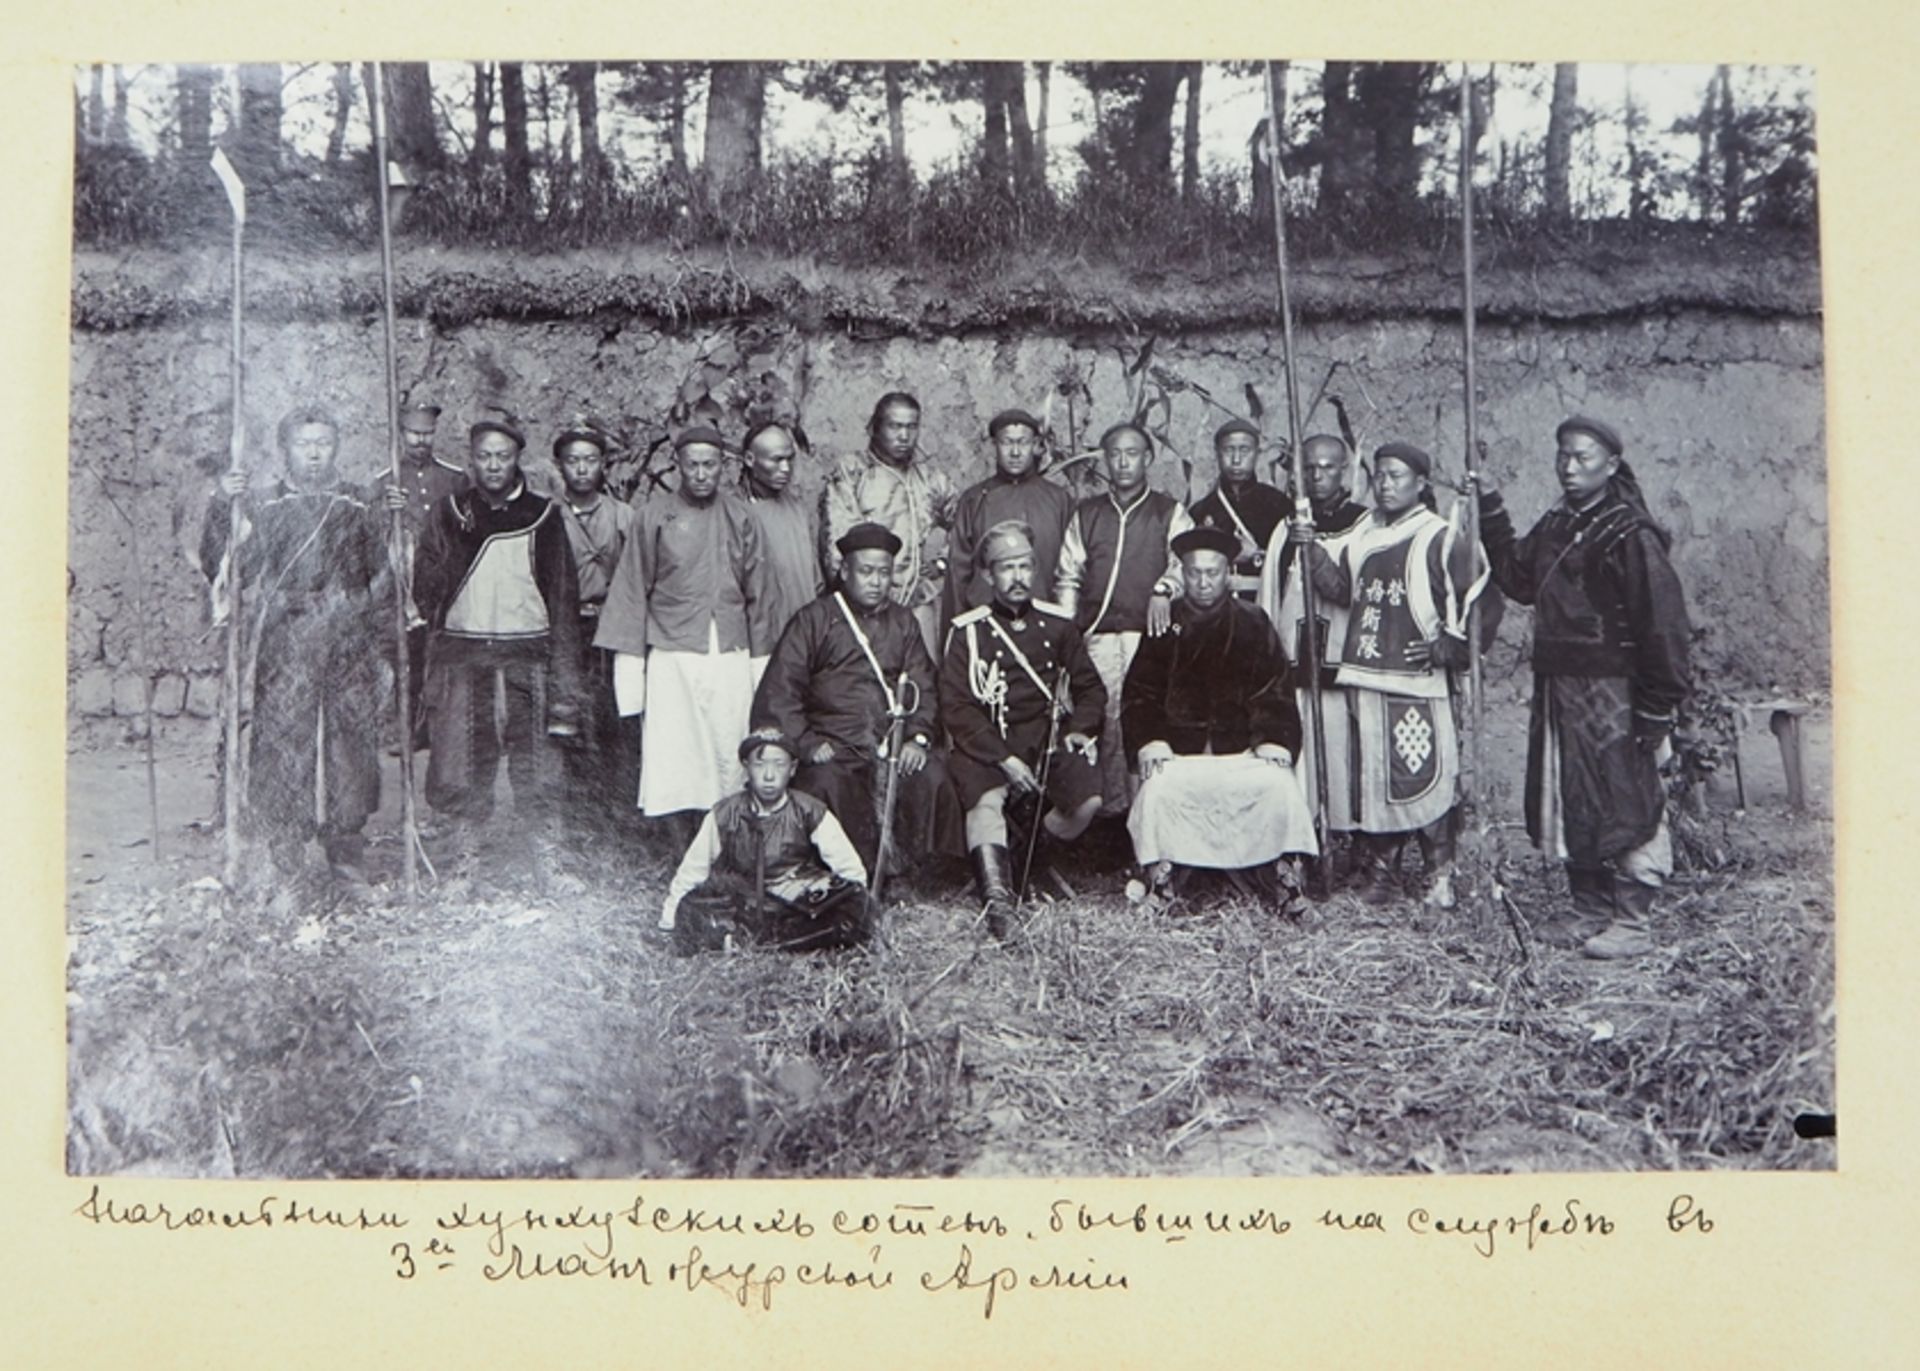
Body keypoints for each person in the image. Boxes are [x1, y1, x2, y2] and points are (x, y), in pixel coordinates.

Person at [1476, 416, 1692, 959]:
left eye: (1584, 458)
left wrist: (1657, 707)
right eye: (1563, 457)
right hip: (1560, 683)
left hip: (1614, 690)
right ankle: (1589, 906)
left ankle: (1633, 918)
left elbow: (1663, 625)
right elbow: (1518, 579)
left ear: (1612, 464)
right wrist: (1489, 508)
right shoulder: (1557, 524)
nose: (1570, 468)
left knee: (1623, 793)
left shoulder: (1630, 534)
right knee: (1570, 791)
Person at [1290, 441, 1487, 908]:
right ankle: (1383, 876)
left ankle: (1442, 873)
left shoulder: (1439, 535)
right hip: (1367, 675)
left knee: (1426, 778)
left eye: (1397, 475)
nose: (1385, 483)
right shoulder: (1365, 534)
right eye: (1379, 475)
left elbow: (1479, 594)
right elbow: (1341, 591)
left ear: (1421, 483)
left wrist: (1451, 646)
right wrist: (1312, 551)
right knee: (1377, 781)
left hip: (1415, 683)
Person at [200, 405, 387, 897]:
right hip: (287, 636)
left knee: (351, 738)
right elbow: (222, 562)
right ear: (285, 450)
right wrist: (224, 505)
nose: (313, 453)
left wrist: (393, 518)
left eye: (322, 442)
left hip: (347, 636)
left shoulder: (359, 503)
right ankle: (285, 853)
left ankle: (346, 851)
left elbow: (381, 568)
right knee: (283, 737)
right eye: (303, 444)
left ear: (336, 446)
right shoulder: (264, 506)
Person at [412, 417, 584, 879]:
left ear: (517, 459)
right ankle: (463, 862)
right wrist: (437, 560)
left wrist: (565, 684)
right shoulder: (449, 512)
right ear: (472, 458)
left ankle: (545, 859)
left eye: (503, 456)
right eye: (485, 456)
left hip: (527, 657)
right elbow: (424, 593)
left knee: (538, 766)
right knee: (461, 764)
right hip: (464, 658)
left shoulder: (544, 517)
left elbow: (563, 600)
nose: (493, 466)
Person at [752, 521, 965, 881]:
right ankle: (849, 874)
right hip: (835, 745)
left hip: (890, 743)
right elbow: (781, 692)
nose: (876, 581)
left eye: (884, 572)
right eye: (866, 571)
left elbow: (923, 686)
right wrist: (806, 743)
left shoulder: (904, 623)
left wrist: (917, 738)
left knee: (932, 776)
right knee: (826, 784)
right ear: (844, 570)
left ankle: (926, 875)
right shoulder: (813, 620)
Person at [1122, 526, 1319, 906]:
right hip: (1180, 753)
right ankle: (1162, 879)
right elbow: (1140, 694)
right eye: (1194, 573)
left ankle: (1283, 879)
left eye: (1212, 573)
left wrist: (1273, 738)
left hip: (1242, 750)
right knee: (1159, 792)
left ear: (1228, 574)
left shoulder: (1253, 621)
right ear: (1182, 573)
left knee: (1279, 788)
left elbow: (1274, 688)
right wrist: (1150, 740)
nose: (1203, 582)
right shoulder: (1164, 625)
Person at [596, 426, 769, 832]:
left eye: (710, 464)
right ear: (678, 465)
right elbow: (632, 591)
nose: (702, 474)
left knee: (730, 749)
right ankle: (681, 848)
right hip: (672, 655)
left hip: (728, 652)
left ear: (723, 466)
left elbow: (761, 596)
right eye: (692, 465)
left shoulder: (742, 516)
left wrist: (762, 671)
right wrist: (631, 676)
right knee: (677, 756)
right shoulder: (654, 516)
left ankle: (729, 846)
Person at [941, 521, 1106, 936]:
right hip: (988, 743)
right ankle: (999, 904)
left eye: (1025, 567)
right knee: (986, 800)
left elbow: (1091, 690)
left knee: (1087, 800)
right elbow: (957, 707)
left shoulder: (1057, 626)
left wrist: (1079, 731)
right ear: (987, 574)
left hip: (1045, 740)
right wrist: (1004, 758)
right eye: (1006, 568)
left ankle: (1024, 862)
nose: (1017, 578)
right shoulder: (968, 632)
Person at [1052, 422, 1191, 816]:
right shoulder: (1089, 514)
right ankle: (1106, 823)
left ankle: (1149, 817)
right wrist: (1066, 638)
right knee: (1103, 727)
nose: (1124, 462)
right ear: (1105, 461)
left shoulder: (1169, 512)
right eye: (1116, 454)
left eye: (1133, 453)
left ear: (1148, 458)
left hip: (1151, 640)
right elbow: (1068, 577)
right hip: (1097, 639)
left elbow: (1186, 562)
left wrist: (1164, 588)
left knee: (1145, 724)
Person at [660, 730, 870, 954]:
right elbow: (693, 870)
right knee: (694, 908)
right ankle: (746, 940)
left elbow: (850, 870)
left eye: (779, 765)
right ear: (746, 767)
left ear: (792, 769)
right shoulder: (724, 814)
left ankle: (775, 943)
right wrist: (669, 921)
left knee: (839, 917)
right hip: (745, 903)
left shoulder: (809, 810)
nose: (769, 775)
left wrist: (854, 905)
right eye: (759, 765)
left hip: (795, 905)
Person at [1259, 433, 1373, 843]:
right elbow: (1269, 597)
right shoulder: (1285, 529)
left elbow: (1351, 592)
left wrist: (1318, 556)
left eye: (1326, 467)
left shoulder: (1363, 526)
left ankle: (1346, 839)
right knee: (1298, 754)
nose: (1317, 475)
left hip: (1339, 666)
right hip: (1293, 664)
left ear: (1344, 470)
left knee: (1342, 757)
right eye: (1308, 467)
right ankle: (1303, 839)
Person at [549, 422, 638, 834]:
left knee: (614, 720)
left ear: (603, 465)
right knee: (568, 719)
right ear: (560, 467)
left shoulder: (623, 516)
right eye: (573, 461)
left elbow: (638, 576)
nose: (582, 469)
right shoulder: (549, 517)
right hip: (567, 628)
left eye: (590, 460)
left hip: (613, 627)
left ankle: (619, 815)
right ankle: (575, 818)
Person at [822, 391, 957, 657]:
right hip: (865, 607)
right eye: (895, 426)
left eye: (911, 426)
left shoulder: (929, 478)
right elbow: (836, 547)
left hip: (917, 604)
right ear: (875, 428)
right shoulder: (852, 472)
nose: (904, 436)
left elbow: (967, 522)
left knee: (923, 681)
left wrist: (943, 562)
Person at [377, 401, 467, 749]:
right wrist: (386, 510)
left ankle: (441, 728)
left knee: (443, 654)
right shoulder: (385, 483)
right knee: (407, 659)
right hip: (403, 589)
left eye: (427, 433)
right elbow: (371, 535)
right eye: (414, 433)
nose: (420, 441)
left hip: (443, 581)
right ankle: (408, 729)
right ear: (401, 434)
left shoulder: (454, 478)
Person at [944, 407, 1074, 625]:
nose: (1015, 452)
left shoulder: (1059, 500)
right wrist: (958, 634)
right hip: (987, 625)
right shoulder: (974, 500)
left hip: (1046, 622)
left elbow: (1073, 570)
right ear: (994, 446)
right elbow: (958, 574)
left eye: (1023, 442)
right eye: (1007, 442)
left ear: (1035, 446)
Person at [739, 421, 824, 648]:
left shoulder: (798, 510)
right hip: (758, 641)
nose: (786, 468)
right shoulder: (735, 514)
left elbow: (815, 582)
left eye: (790, 459)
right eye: (776, 460)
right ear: (750, 459)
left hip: (805, 639)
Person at [1188, 418, 1290, 604]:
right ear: (1217, 454)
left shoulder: (1278, 504)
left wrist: (1256, 555)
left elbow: (1294, 562)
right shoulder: (1201, 510)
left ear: (1257, 453)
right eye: (1228, 450)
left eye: (1244, 450)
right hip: (1217, 608)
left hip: (1266, 602)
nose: (1236, 460)